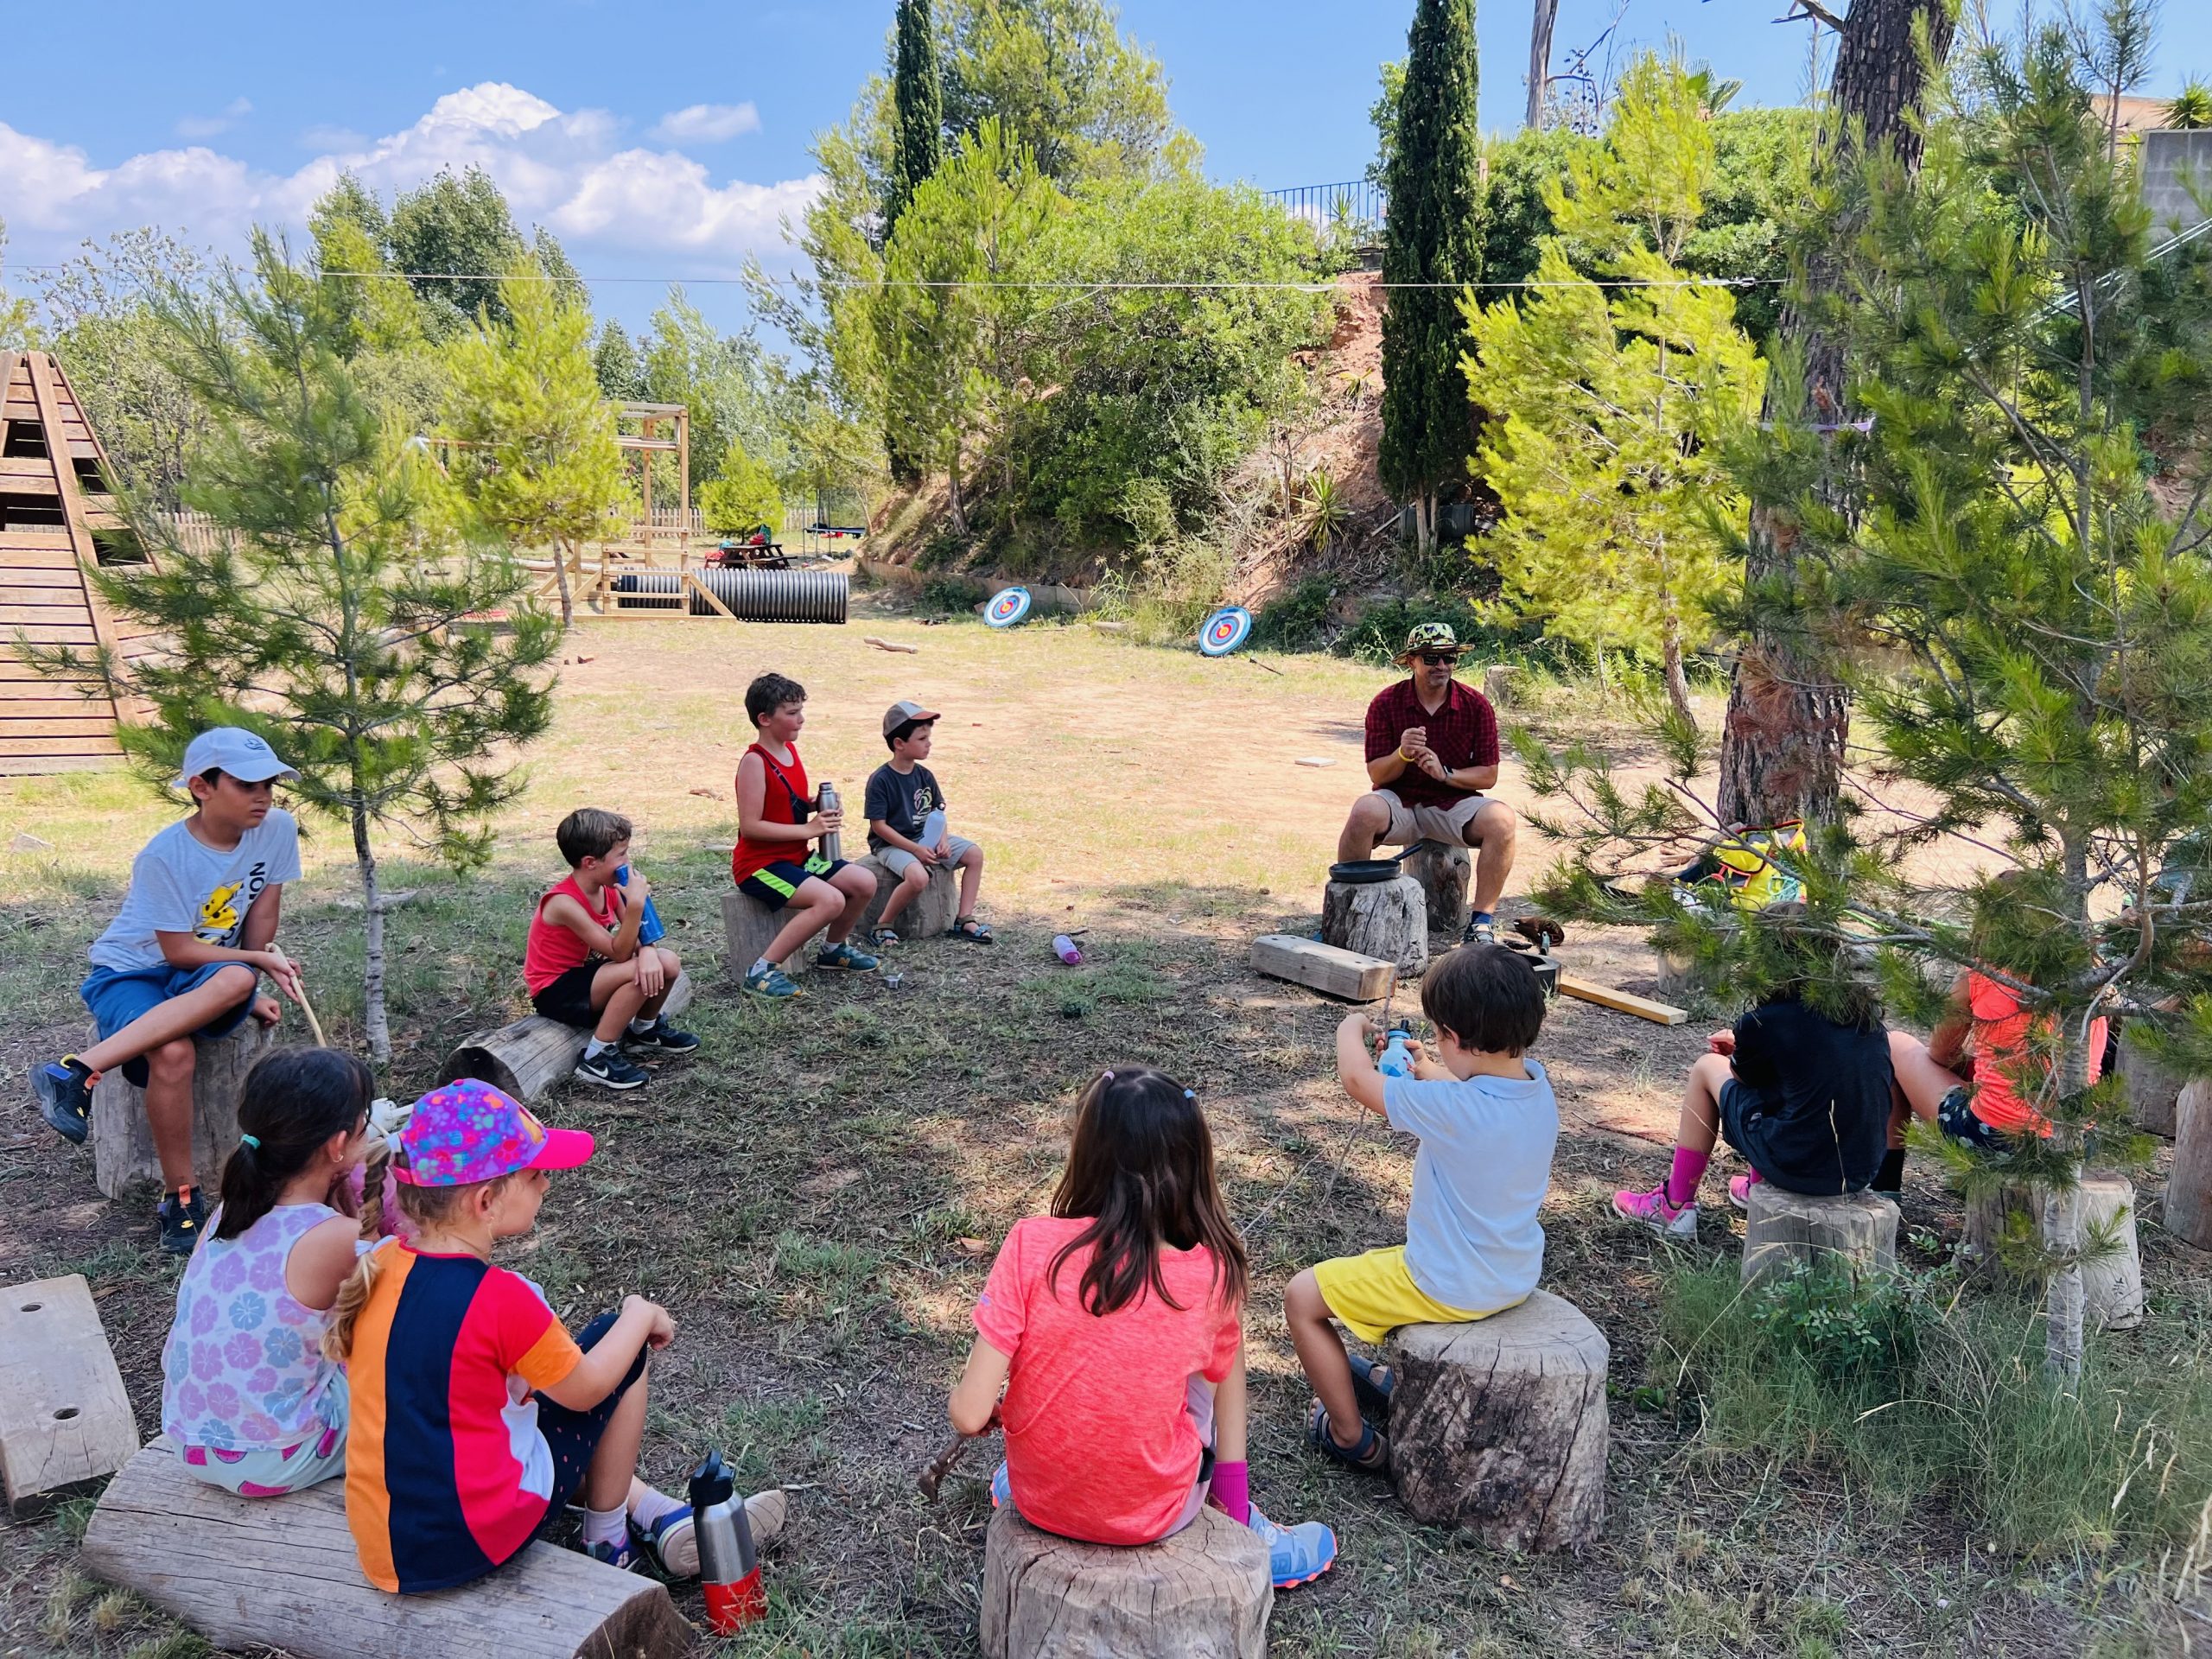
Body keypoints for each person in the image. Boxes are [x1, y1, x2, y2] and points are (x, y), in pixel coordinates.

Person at [327, 1079, 785, 1589]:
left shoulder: (380, 1265)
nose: (546, 1184)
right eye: (536, 1174)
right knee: (617, 1343)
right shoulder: (503, 1299)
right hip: (470, 1540)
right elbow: (588, 1388)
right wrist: (638, 1314)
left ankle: (652, 1511)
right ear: (486, 1201)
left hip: (386, 1543)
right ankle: (609, 1541)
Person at [949, 1066, 1338, 1592]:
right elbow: (1217, 1376)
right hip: (1156, 1511)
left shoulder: (1028, 1244)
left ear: (1086, 1152)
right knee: (1221, 1351)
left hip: (1036, 1496)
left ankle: (1059, 1465)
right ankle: (1236, 1508)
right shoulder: (1213, 1273)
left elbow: (969, 1414)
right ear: (1193, 1162)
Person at [32, 728, 308, 1254]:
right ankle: (181, 1196)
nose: (263, 796)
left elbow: (259, 924)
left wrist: (254, 981)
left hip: (209, 974)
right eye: (247, 784)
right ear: (201, 786)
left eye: (269, 783)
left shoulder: (275, 829)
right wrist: (255, 966)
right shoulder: (164, 855)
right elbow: (178, 951)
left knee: (238, 978)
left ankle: (72, 1073)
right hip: (132, 972)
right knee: (174, 1050)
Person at [1287, 945, 1557, 1473]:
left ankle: (1349, 1437)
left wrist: (1350, 1028)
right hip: (1512, 1273)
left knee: (1301, 1298)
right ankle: (1390, 1380)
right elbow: (1472, 1094)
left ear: (1456, 1037)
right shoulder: (1535, 1087)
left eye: (1437, 1035)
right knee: (1376, 1268)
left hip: (1447, 1283)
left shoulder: (1456, 1109)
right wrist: (1428, 1069)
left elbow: (1358, 1082)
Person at [159, 1047, 378, 1496]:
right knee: (403, 1375)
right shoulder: (337, 1236)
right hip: (278, 1456)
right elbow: (397, 1309)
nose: (369, 1134)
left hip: (190, 1442)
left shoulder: (229, 1211)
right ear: (338, 1145)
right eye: (363, 1124)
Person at [1613, 928, 1893, 1236]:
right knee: (1794, 1084)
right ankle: (1756, 1185)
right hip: (1860, 1170)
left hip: (1797, 1167)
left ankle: (1674, 1207)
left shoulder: (1766, 1020)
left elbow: (1745, 1079)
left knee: (1706, 1068)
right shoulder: (1864, 1016)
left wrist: (1740, 1051)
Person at [1342, 623, 1519, 946]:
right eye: (1431, 658)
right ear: (1411, 661)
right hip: (1400, 802)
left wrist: (1445, 774)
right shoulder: (1386, 703)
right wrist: (1402, 754)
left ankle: (1480, 924)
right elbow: (1377, 776)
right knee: (1364, 811)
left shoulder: (1475, 705)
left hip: (1453, 805)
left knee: (1503, 820)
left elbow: (1488, 775)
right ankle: (1347, 905)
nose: (1442, 666)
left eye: (1449, 657)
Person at [524, 807, 699, 1091]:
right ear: (590, 862)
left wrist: (649, 951)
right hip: (556, 991)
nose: (627, 863)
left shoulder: (609, 887)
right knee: (638, 973)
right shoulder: (563, 903)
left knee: (667, 961)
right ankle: (597, 1056)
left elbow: (642, 935)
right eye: (621, 855)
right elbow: (619, 952)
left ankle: (645, 1029)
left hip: (589, 977)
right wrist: (637, 905)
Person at [731, 671, 879, 999]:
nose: (801, 719)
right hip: (760, 866)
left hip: (796, 858)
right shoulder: (755, 763)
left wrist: (813, 804)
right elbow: (751, 825)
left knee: (864, 882)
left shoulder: (789, 752)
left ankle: (833, 950)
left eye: (800, 710)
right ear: (765, 718)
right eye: (792, 713)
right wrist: (810, 829)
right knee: (830, 900)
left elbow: (785, 803)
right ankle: (762, 970)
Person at [1887, 968, 2109, 1159]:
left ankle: (1886, 1187)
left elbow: (1940, 1053)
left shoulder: (1983, 969)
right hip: (2079, 1142)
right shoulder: (2097, 975)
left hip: (1994, 1139)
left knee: (1896, 1045)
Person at [865, 699, 991, 946]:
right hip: (892, 845)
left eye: (928, 737)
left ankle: (964, 918)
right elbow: (879, 826)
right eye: (922, 738)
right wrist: (915, 849)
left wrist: (942, 841)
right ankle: (883, 924)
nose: (929, 743)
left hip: (926, 840)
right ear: (899, 744)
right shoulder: (881, 780)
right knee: (918, 878)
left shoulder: (924, 775)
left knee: (974, 854)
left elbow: (938, 813)